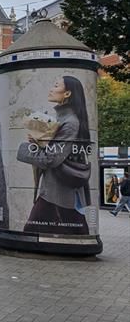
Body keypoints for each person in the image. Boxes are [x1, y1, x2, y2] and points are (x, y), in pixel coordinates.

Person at [17, 75, 92, 236]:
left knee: (31, 234)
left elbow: (51, 159)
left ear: (67, 94)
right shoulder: (61, 118)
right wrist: (39, 141)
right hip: (57, 190)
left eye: (56, 85)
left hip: (58, 192)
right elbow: (54, 151)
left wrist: (26, 148)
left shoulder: (70, 122)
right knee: (76, 232)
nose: (51, 89)